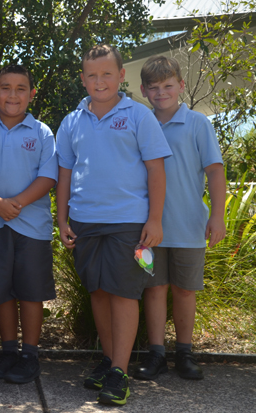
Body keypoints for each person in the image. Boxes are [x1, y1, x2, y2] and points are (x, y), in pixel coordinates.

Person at [56, 45, 172, 406]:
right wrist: (61, 219)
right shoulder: (72, 120)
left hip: (128, 222)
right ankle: (109, 361)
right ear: (82, 79)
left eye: (107, 73)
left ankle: (120, 372)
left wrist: (154, 219)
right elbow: (64, 173)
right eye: (92, 75)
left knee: (123, 293)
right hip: (85, 221)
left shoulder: (139, 116)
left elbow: (156, 169)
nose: (99, 81)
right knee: (99, 292)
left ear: (121, 76)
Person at [134, 55, 226, 381]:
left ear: (181, 86)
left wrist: (218, 216)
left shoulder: (198, 124)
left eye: (168, 86)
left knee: (185, 290)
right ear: (143, 90)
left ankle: (184, 353)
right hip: (146, 231)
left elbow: (215, 172)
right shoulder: (140, 122)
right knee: (154, 288)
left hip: (189, 226)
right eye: (154, 88)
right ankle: (156, 354)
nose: (161, 93)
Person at [0, 64, 57, 384]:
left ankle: (29, 354)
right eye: (5, 87)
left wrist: (15, 203)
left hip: (31, 225)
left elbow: (49, 176)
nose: (13, 94)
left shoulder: (42, 132)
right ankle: (8, 351)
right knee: (1, 290)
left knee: (31, 290)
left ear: (31, 94)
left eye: (21, 88)